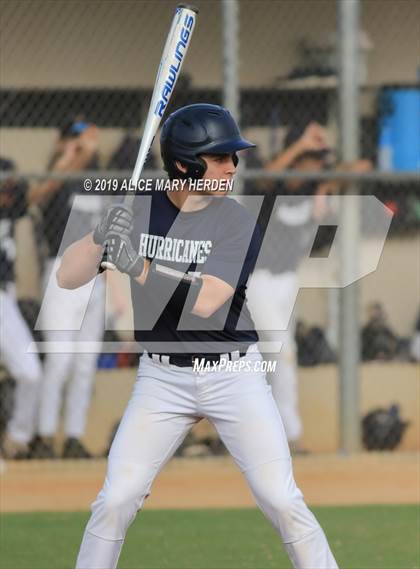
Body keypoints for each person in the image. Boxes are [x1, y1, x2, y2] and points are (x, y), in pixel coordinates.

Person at [57, 104, 338, 569]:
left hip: (233, 374)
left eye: (233, 157)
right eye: (221, 157)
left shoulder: (237, 221)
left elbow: (207, 304)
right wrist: (100, 237)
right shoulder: (139, 210)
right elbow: (67, 277)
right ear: (186, 164)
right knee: (115, 500)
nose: (234, 166)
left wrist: (136, 265)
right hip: (161, 380)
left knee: (281, 500)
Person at [247, 122, 371, 451]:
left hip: (287, 281)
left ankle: (259, 435)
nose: (315, 163)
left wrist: (326, 183)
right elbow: (266, 176)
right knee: (281, 350)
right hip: (254, 278)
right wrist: (300, 144)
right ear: (295, 157)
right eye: (309, 158)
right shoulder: (274, 186)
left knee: (267, 355)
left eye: (319, 158)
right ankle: (288, 437)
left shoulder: (316, 186)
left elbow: (361, 168)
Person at [27, 116, 105, 459]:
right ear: (60, 143)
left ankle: (73, 436)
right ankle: (44, 436)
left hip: (97, 274)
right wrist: (74, 152)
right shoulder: (56, 177)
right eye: (72, 137)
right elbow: (38, 194)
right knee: (59, 360)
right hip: (63, 273)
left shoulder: (99, 181)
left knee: (85, 362)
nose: (82, 143)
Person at [0, 158, 43, 459]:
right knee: (29, 372)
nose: (8, 193)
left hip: (5, 300)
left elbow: (36, 196)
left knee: (30, 373)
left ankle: (17, 439)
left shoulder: (10, 210)